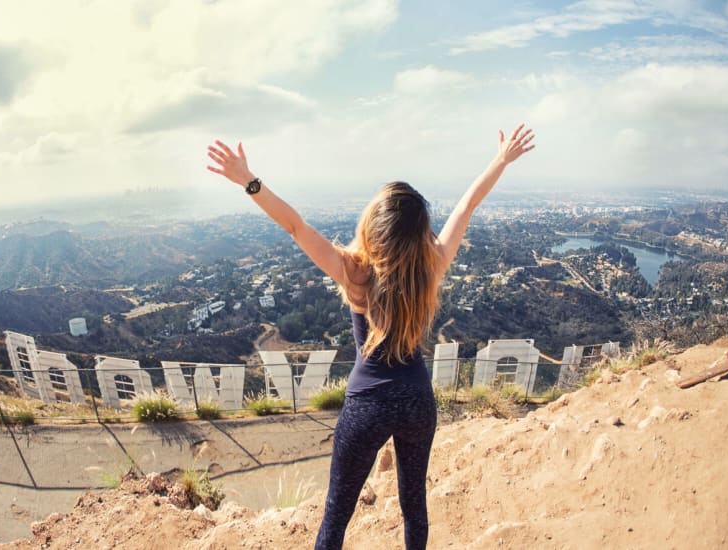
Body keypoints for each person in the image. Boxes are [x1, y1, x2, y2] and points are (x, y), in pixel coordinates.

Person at [206, 125, 535, 550]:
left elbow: (294, 226)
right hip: (418, 401)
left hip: (367, 406)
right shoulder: (429, 267)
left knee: (336, 515)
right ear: (419, 233)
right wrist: (501, 160)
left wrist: (249, 181)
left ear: (372, 226)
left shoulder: (353, 271)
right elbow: (468, 205)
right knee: (414, 506)